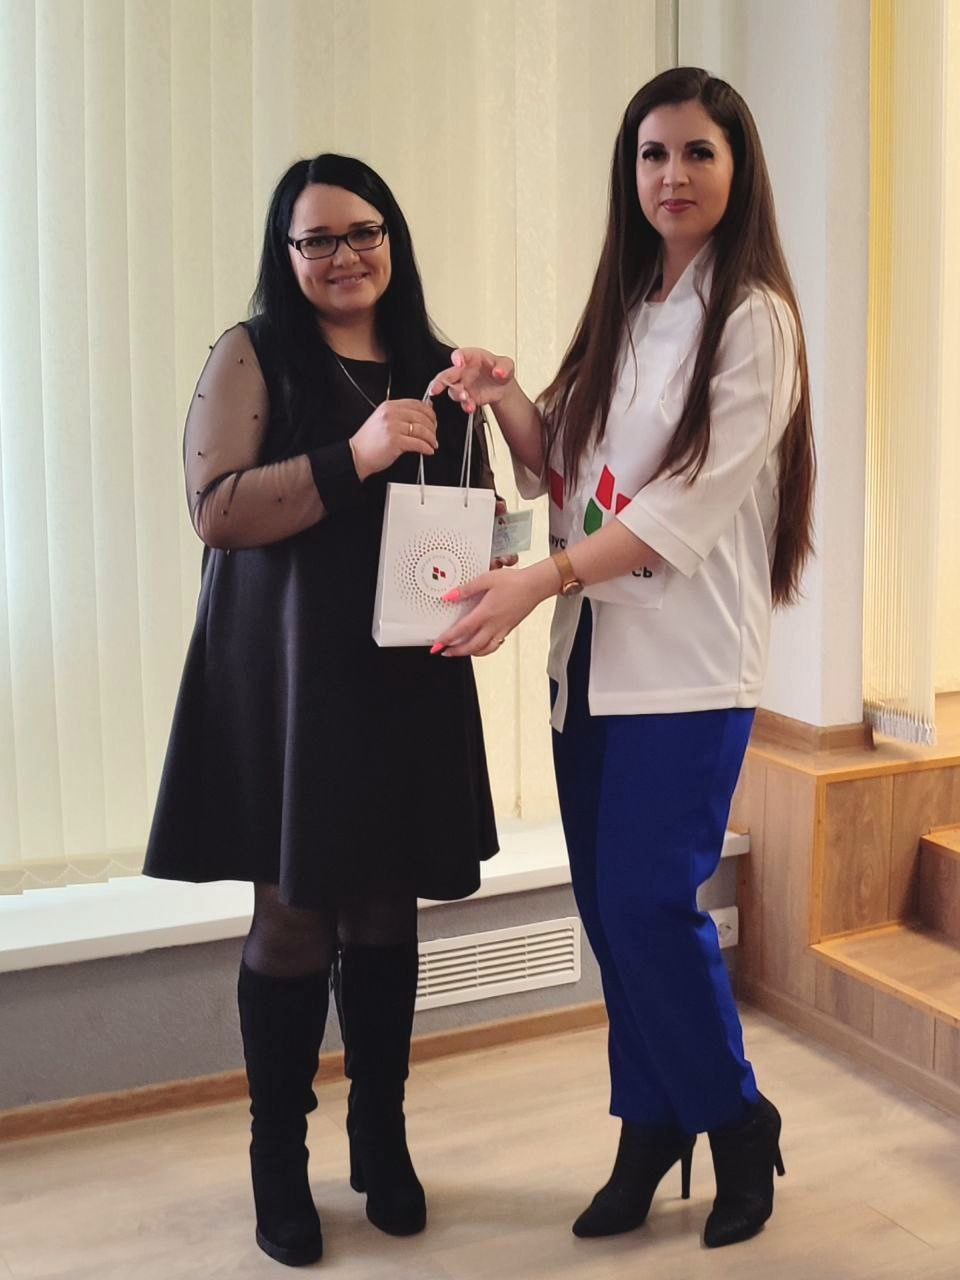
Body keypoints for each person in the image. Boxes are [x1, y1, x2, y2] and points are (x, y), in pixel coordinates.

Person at [430, 67, 815, 1251]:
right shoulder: (629, 304)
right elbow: (572, 469)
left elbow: (681, 504)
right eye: (653, 154)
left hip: (687, 668)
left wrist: (540, 577)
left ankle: (736, 1118)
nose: (672, 175)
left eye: (697, 153)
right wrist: (504, 397)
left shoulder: (753, 320)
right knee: (613, 913)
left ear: (738, 169)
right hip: (590, 658)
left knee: (651, 903)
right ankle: (649, 1122)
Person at [144, 153, 501, 1268]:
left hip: (403, 672)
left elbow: (467, 509)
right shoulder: (252, 353)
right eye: (318, 239)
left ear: (393, 237)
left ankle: (380, 1140)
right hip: (285, 680)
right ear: (286, 252)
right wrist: (356, 454)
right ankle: (278, 1160)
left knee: (386, 908)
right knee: (295, 912)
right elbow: (216, 509)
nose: (345, 255)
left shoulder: (439, 365)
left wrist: (494, 567)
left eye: (363, 231)